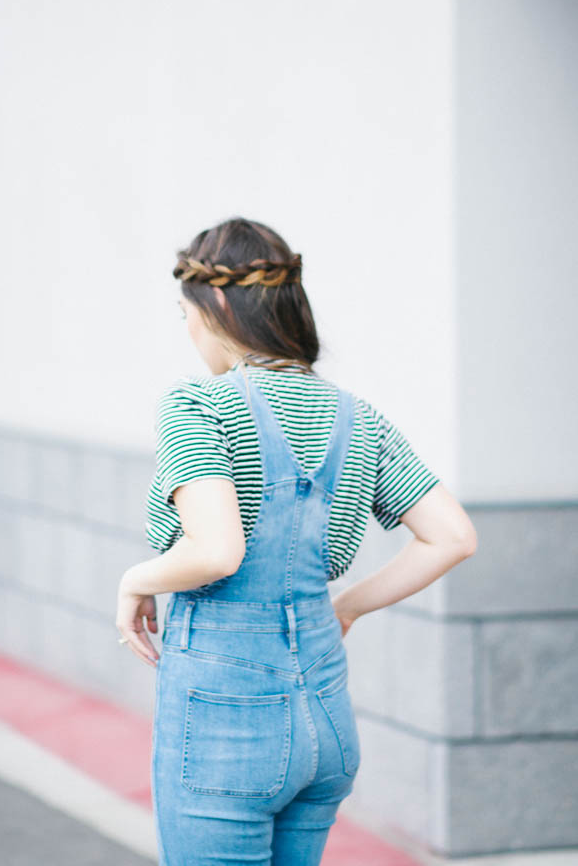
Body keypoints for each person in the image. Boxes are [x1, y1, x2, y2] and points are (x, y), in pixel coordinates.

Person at [115, 216, 477, 866]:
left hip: (226, 725)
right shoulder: (357, 417)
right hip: (327, 719)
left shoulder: (199, 406)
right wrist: (347, 607)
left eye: (185, 312)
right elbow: (451, 536)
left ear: (216, 302)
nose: (188, 329)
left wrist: (134, 580)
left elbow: (216, 551)